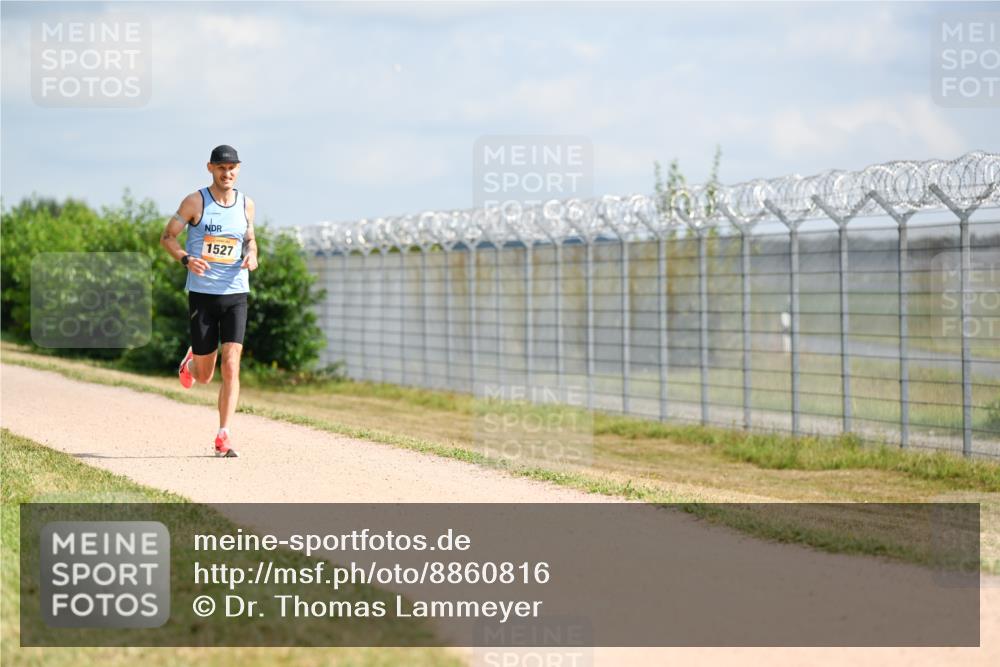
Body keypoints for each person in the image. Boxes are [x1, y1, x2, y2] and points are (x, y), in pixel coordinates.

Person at [159, 145, 258, 458]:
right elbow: (167, 237)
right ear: (210, 168)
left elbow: (249, 238)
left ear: (238, 169)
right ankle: (191, 362)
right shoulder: (195, 201)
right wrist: (186, 258)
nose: (227, 174)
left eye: (232, 169)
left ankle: (223, 435)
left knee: (232, 365)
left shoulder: (246, 204)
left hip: (236, 293)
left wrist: (253, 252)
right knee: (205, 376)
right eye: (221, 169)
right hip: (203, 295)